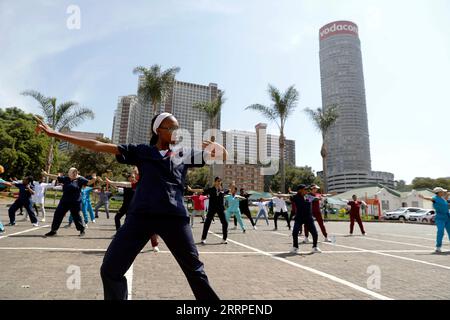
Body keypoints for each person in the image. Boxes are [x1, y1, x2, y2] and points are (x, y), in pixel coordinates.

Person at [35, 112, 226, 300]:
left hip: (173, 218)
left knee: (195, 271)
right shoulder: (141, 151)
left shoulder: (184, 154)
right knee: (110, 269)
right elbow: (98, 145)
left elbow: (221, 156)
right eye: (172, 128)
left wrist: (214, 146)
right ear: (158, 130)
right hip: (141, 217)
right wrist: (55, 134)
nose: (177, 131)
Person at [107, 175, 160, 252]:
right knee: (130, 225)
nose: (133, 177)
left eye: (134, 175)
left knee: (152, 227)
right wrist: (111, 182)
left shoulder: (153, 183)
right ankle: (122, 239)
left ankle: (154, 245)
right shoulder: (136, 184)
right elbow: (123, 184)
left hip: (148, 208)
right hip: (134, 208)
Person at [42, 169, 96, 237]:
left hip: (75, 202)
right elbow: (56, 177)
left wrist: (94, 179)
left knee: (76, 216)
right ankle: (53, 231)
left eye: (75, 172)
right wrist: (47, 174)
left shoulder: (80, 179)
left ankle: (82, 230)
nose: (74, 174)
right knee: (57, 214)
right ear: (69, 173)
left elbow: (89, 183)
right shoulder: (66, 179)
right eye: (73, 172)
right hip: (64, 201)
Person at [290, 184, 321, 254]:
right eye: (305, 189)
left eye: (307, 189)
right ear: (300, 190)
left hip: (308, 218)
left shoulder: (308, 197)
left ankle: (315, 247)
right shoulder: (295, 197)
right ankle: (295, 247)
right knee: (295, 232)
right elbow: (288, 197)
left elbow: (316, 198)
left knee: (315, 233)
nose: (307, 190)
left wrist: (319, 197)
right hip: (299, 217)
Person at [420, 187, 450, 253]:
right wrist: (423, 197)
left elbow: (445, 201)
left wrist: (447, 195)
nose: (443, 192)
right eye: (442, 191)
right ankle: (438, 247)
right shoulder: (435, 198)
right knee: (440, 231)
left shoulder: (443, 199)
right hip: (440, 218)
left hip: (447, 217)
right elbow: (430, 198)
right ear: (439, 192)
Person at [200, 177, 229, 245]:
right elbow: (202, 190)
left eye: (220, 181)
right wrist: (191, 189)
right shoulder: (211, 189)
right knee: (207, 223)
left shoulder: (222, 190)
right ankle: (203, 239)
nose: (219, 182)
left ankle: (224, 239)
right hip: (212, 208)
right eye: (218, 181)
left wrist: (232, 185)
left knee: (225, 223)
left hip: (220, 209)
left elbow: (230, 190)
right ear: (215, 182)